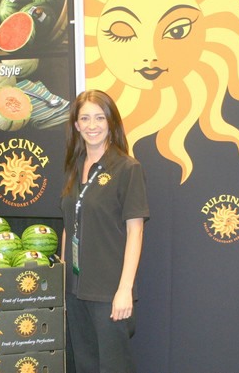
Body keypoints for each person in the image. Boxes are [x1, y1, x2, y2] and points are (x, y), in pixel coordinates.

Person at [61, 90, 150, 373]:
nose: (92, 125)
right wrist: (62, 278)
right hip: (75, 290)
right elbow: (68, 225)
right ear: (76, 125)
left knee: (114, 367)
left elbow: (135, 232)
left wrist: (124, 290)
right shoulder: (74, 167)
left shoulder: (127, 168)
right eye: (85, 118)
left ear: (111, 122)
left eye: (99, 118)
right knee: (84, 365)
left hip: (109, 291)